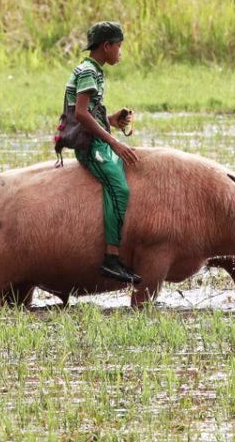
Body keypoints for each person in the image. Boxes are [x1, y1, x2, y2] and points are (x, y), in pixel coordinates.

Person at [64, 21, 141, 284]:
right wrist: (114, 143)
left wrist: (111, 120)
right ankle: (111, 257)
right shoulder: (89, 72)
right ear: (106, 46)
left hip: (97, 140)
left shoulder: (94, 71)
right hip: (90, 147)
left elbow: (91, 113)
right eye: (118, 46)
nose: (120, 51)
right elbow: (80, 113)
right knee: (119, 188)